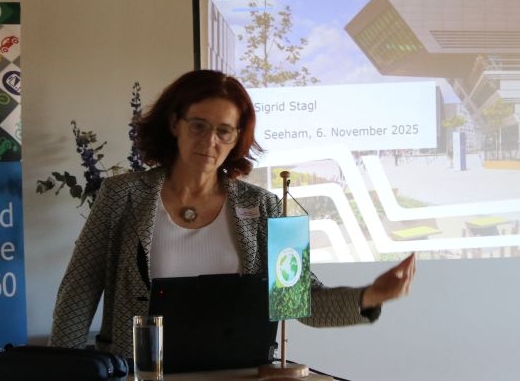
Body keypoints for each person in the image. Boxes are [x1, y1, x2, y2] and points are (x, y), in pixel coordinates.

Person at [49, 69, 416, 355]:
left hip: (238, 370)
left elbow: (298, 301)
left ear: (237, 137)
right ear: (175, 124)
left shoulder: (265, 206)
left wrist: (371, 295)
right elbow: (79, 292)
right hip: (142, 370)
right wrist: (64, 371)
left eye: (224, 131)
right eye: (198, 126)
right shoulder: (121, 195)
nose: (210, 141)